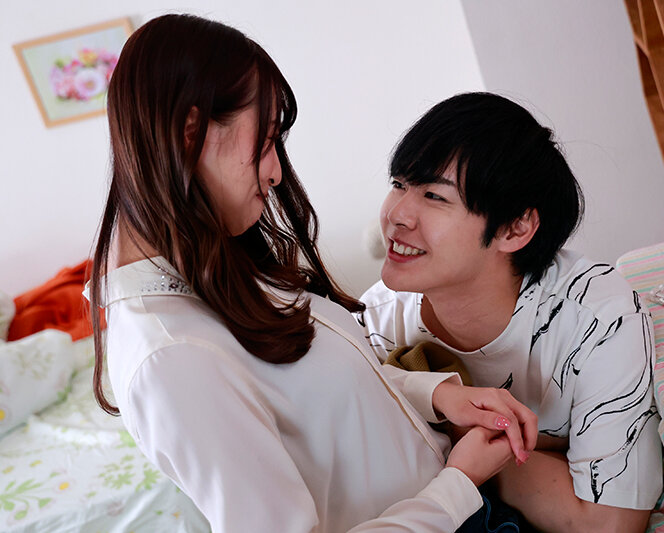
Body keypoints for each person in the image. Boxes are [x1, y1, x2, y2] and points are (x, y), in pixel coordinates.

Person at [86, 16, 538, 533]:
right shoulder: (171, 359)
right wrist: (459, 483)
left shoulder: (210, 267)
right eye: (267, 141)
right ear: (192, 133)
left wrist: (438, 397)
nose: (276, 172)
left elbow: (320, 398)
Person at [358, 92, 663, 533]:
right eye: (399, 185)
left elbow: (609, 523)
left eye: (434, 196)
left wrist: (456, 437)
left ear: (514, 228)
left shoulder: (596, 320)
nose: (397, 215)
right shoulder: (373, 322)